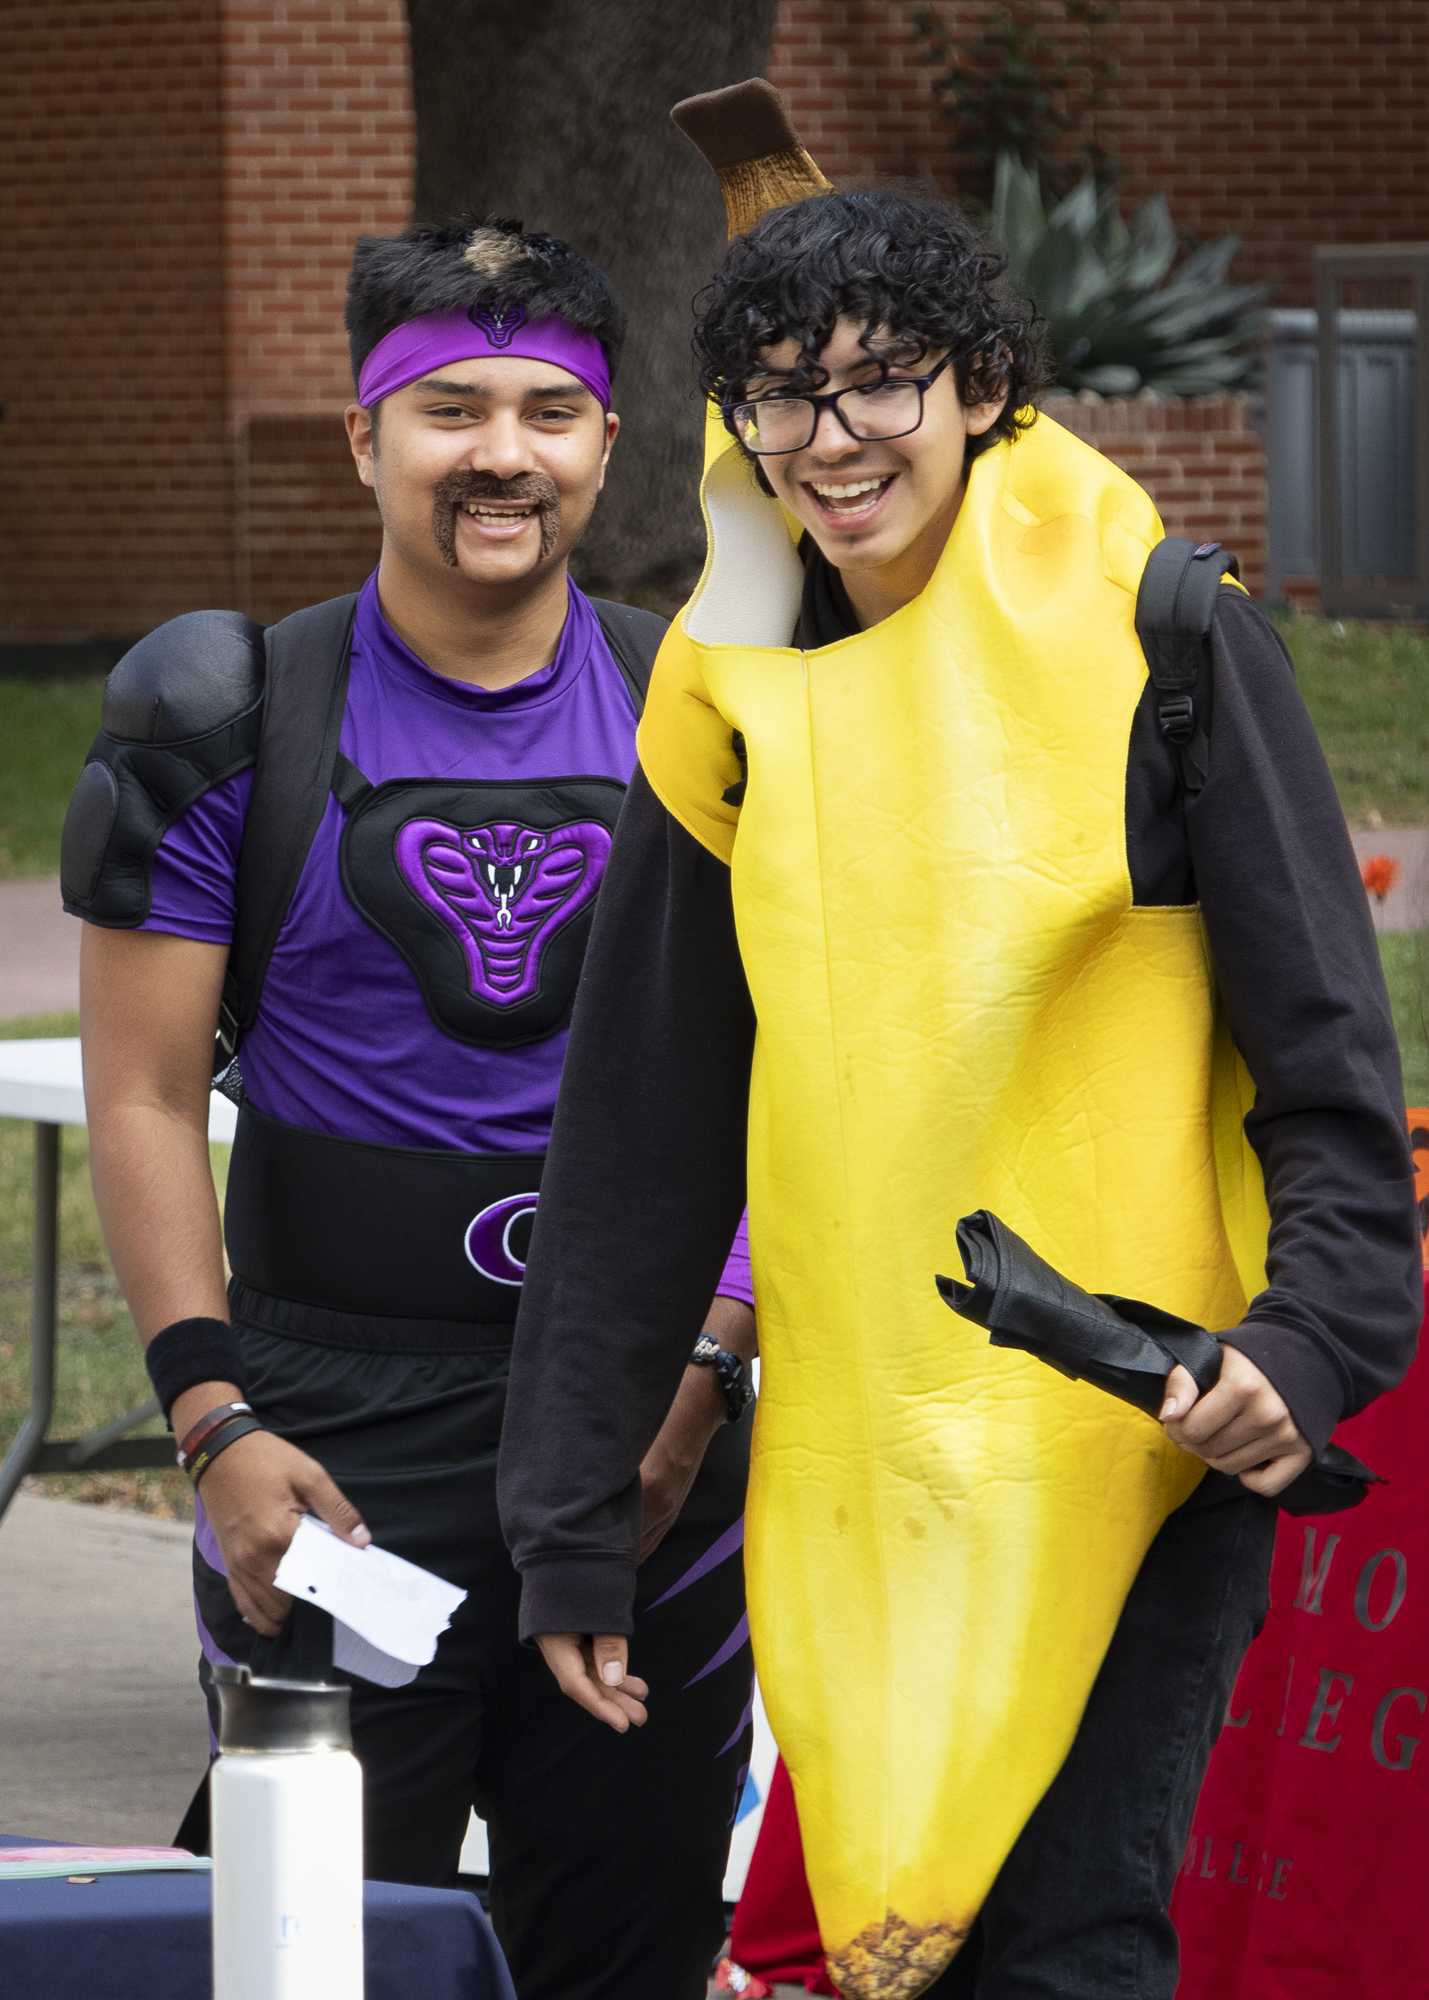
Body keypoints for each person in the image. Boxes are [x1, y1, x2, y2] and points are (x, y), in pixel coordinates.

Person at [497, 178, 1423, 1999]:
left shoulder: (1165, 635)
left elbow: (1330, 1070)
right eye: (778, 393)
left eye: (878, 382)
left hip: (1132, 1432)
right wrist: (570, 1525)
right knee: (891, 1948)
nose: (829, 441)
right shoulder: (728, 699)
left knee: (1067, 1946)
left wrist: (1302, 1353)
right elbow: (639, 1141)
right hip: (865, 1447)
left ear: (984, 384)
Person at [61, 215, 756, 2000]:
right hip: (332, 1424)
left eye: (548, 410)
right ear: (362, 440)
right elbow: (139, 1094)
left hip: (645, 1421)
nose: (501, 453)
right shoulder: (227, 708)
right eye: (448, 408)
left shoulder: (717, 710)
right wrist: (211, 1424)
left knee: (629, 1929)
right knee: (307, 1943)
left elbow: (783, 1061)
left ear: (610, 442)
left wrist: (705, 1359)